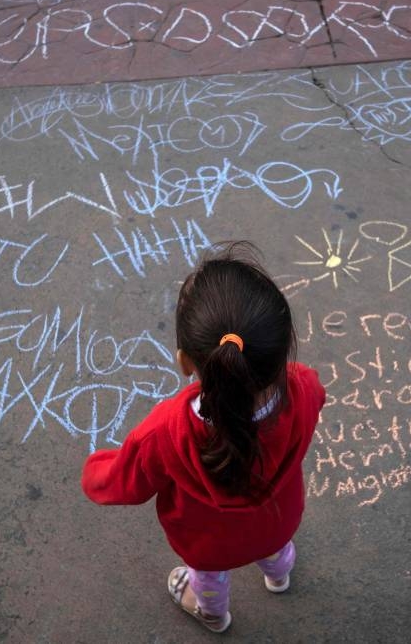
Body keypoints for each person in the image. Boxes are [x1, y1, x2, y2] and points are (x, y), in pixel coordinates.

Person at [80, 242, 326, 633]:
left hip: (210, 545)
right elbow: (317, 395)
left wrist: (95, 472)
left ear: (184, 362)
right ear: (281, 353)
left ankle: (213, 613)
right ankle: (279, 576)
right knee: (276, 550)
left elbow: (123, 481)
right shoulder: (305, 387)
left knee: (208, 578)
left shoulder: (167, 431)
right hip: (280, 521)